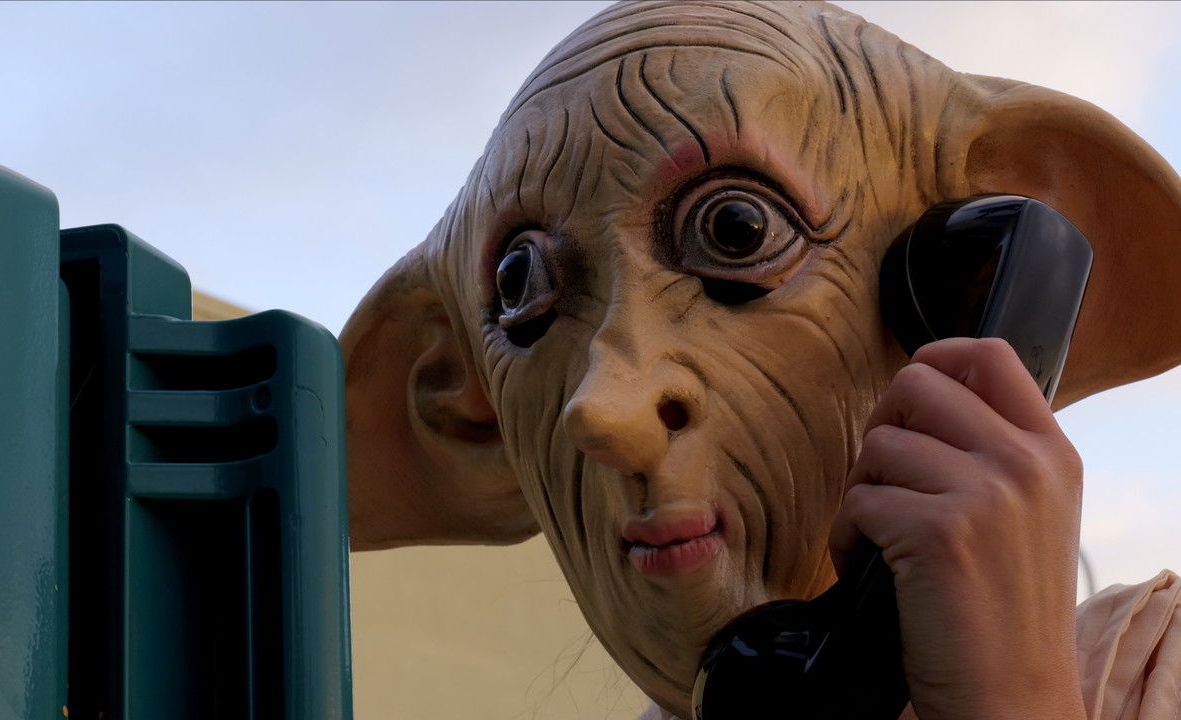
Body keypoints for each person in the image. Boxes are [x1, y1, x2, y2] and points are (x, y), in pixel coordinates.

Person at [341, 3, 1181, 717]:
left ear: (967, 286)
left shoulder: (1151, 671)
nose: (605, 410)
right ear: (472, 411)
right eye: (520, 289)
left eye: (736, 230)